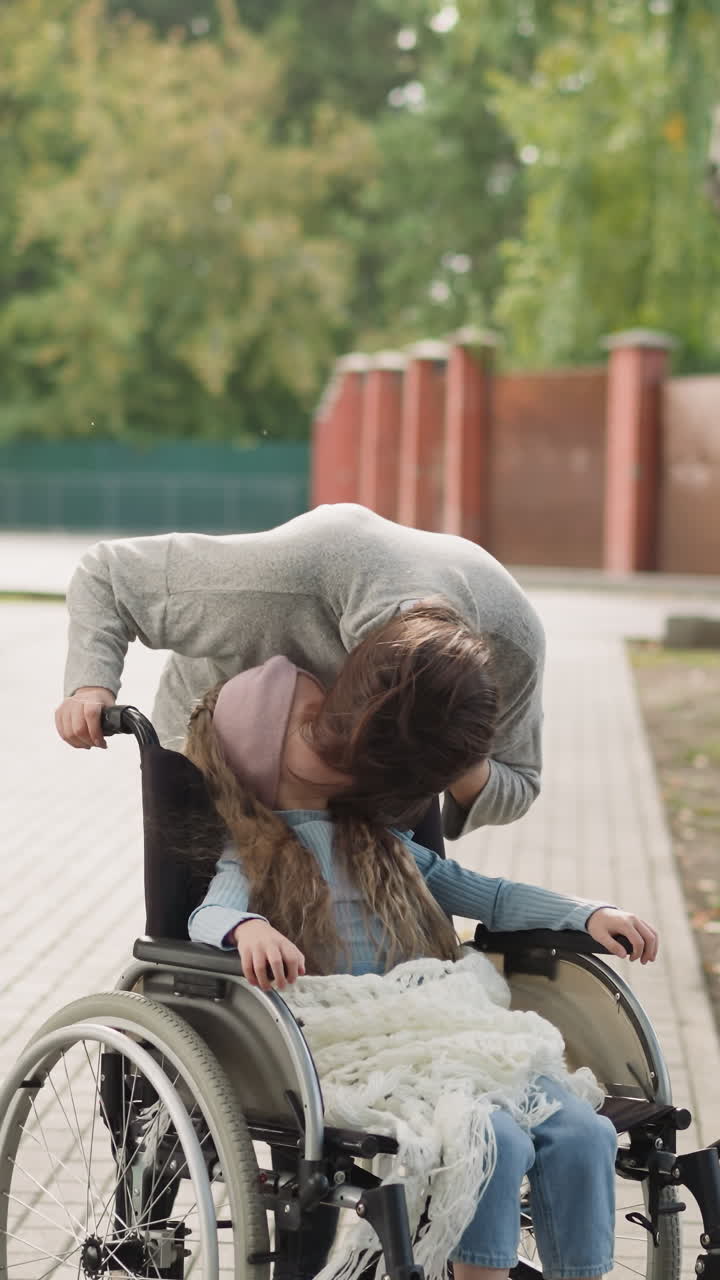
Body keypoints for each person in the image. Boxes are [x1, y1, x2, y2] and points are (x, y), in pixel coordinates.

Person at [181, 608, 658, 1280]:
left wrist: (586, 913)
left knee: (583, 1129)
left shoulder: (384, 846)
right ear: (259, 751)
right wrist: (247, 927)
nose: (340, 735)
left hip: (440, 1020)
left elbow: (487, 894)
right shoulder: (257, 855)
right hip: (346, 1037)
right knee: (487, 1137)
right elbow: (208, 915)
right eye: (314, 724)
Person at [54, 503, 547, 848]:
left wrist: (456, 759)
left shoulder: (514, 644)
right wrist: (91, 686)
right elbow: (107, 576)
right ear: (342, 678)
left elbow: (519, 783)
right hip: (216, 749)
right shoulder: (276, 582)